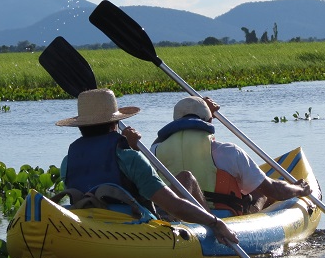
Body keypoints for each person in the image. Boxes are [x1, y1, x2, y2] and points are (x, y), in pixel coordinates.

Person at [55, 88, 238, 245]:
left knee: (184, 178)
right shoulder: (129, 158)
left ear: (81, 127)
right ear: (115, 124)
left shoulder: (67, 161)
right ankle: (211, 232)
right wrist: (216, 222)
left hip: (91, 227)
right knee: (186, 179)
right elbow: (173, 205)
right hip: (135, 229)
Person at [151, 95, 311, 216]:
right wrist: (299, 189)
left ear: (175, 122)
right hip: (218, 218)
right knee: (261, 192)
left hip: (172, 213)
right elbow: (275, 190)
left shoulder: (154, 152)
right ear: (209, 121)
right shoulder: (228, 152)